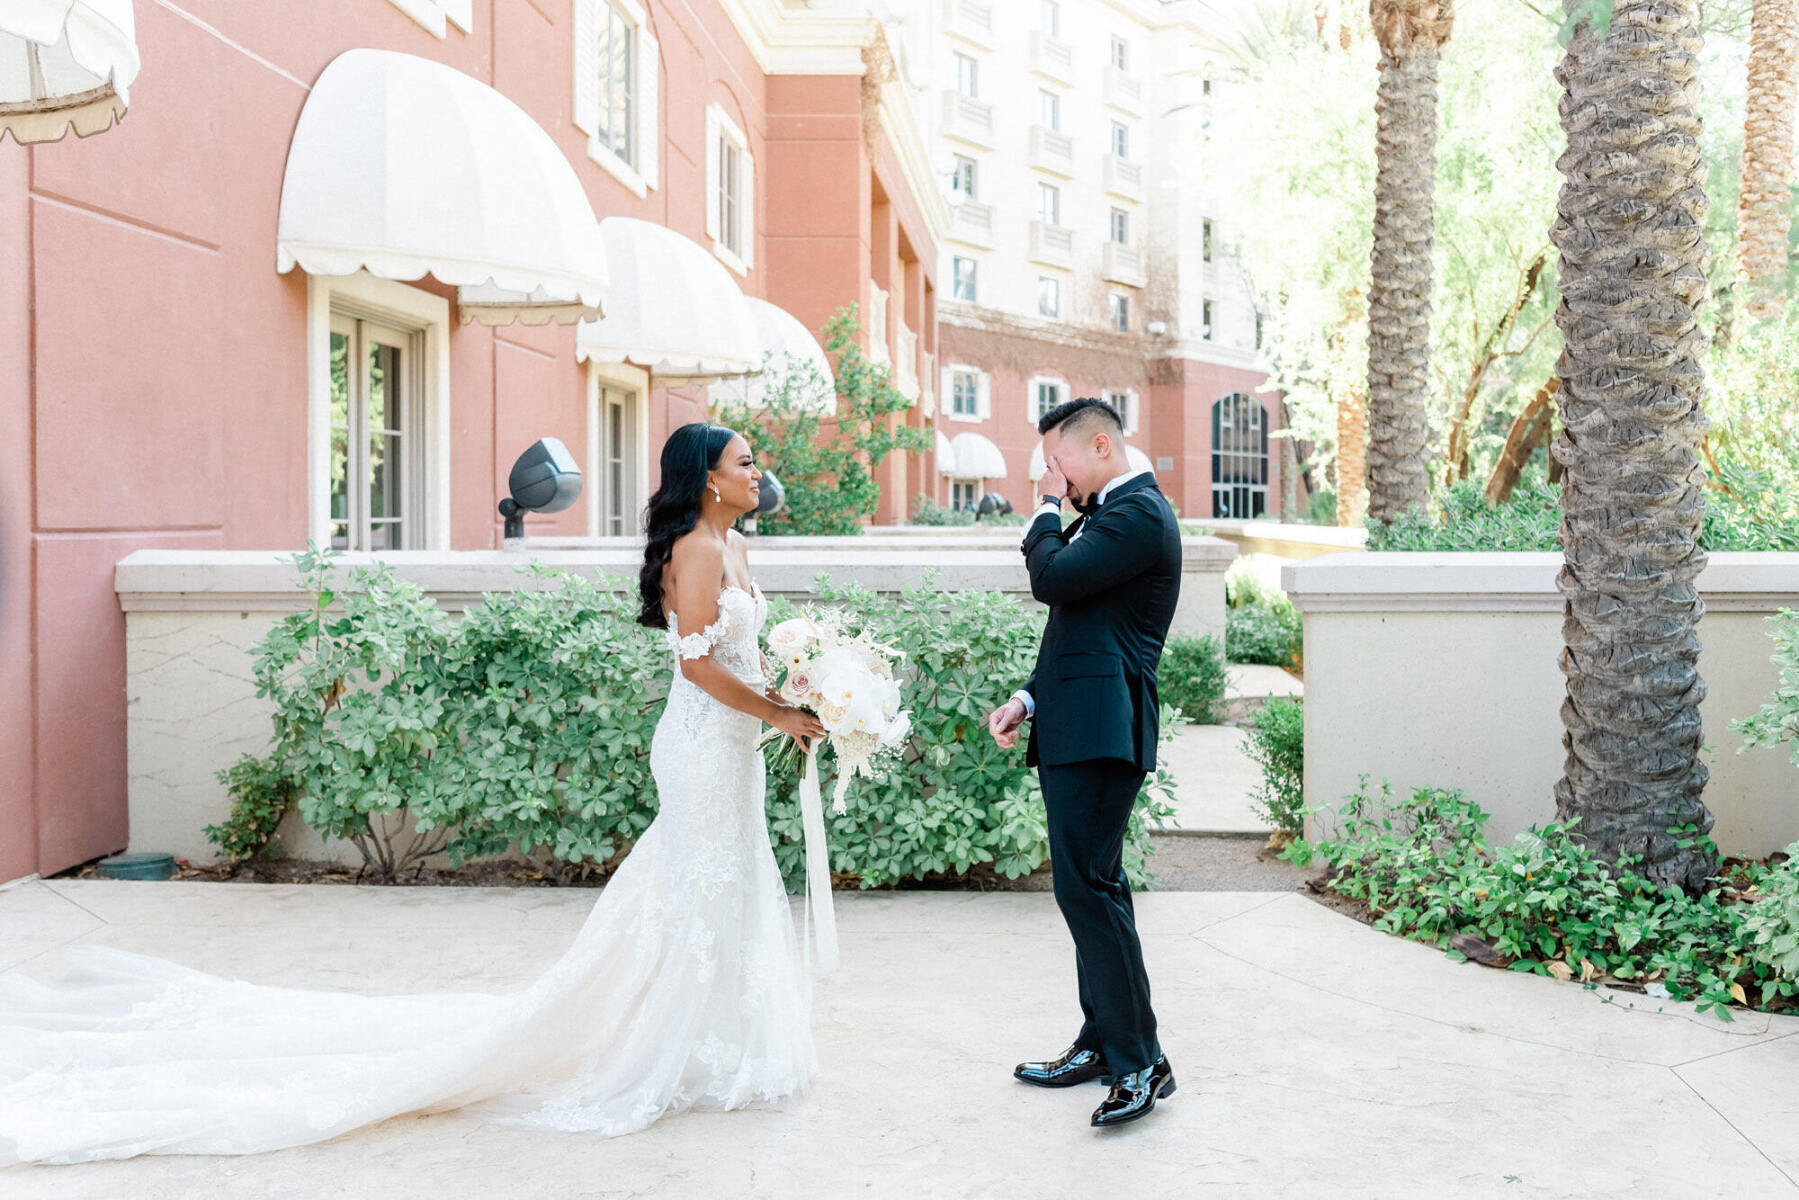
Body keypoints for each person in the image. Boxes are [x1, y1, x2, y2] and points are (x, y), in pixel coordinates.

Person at [0, 422, 825, 1166]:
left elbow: (739, 656)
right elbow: (696, 665)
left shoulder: (737, 547)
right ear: (709, 479)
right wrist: (782, 710)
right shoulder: (696, 550)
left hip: (732, 747)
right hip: (698, 747)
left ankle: (718, 1044)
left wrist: (793, 688)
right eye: (746, 463)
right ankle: (667, 1051)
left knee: (724, 882)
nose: (761, 472)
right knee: (697, 884)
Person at [986, 396, 1182, 1129]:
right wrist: (1026, 700)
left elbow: (1051, 580)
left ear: (1099, 446)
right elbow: (1083, 632)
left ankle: (1140, 1062)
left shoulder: (1137, 516)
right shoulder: (1111, 515)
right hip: (1079, 725)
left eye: (1055, 462)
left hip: (1105, 734)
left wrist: (1040, 509)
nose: (1052, 476)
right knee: (1089, 889)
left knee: (1089, 893)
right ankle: (1103, 1043)